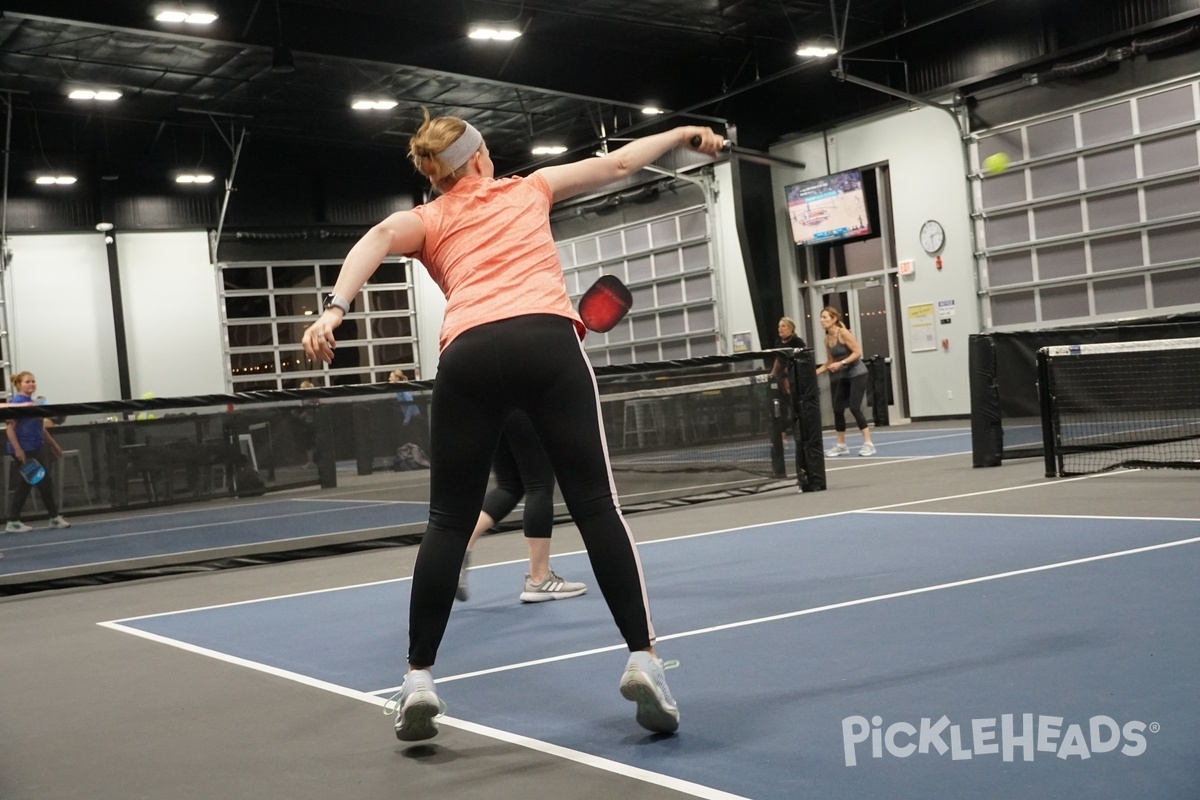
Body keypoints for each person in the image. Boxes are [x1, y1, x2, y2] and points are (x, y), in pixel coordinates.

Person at [302, 112, 725, 741]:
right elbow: (618, 165)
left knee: (448, 521)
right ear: (477, 159)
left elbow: (379, 234)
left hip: (468, 352)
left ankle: (418, 678)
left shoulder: (431, 218)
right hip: (546, 342)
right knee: (595, 505)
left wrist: (335, 309)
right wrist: (682, 136)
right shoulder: (530, 188)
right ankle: (644, 658)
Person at [456, 409, 587, 604]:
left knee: (510, 487)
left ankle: (457, 549)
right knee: (539, 485)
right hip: (521, 403)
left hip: (490, 407)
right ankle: (539, 578)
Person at [5, 372, 71, 531]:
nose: (31, 384)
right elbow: (10, 428)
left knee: (31, 483)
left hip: (36, 447)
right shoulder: (16, 403)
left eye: (33, 381)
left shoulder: (34, 403)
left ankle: (15, 520)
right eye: (27, 381)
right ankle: (52, 518)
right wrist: (18, 449)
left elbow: (40, 427)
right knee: (41, 482)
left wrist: (53, 444)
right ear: (19, 384)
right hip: (25, 449)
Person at [815, 307, 875, 456]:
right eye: (821, 317)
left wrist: (841, 363)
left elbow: (857, 352)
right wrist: (814, 373)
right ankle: (841, 445)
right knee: (837, 409)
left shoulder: (843, 333)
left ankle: (869, 444)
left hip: (858, 373)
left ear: (834, 319)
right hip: (845, 376)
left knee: (854, 407)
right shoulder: (827, 339)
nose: (822, 320)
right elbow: (829, 362)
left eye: (825, 317)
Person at [766, 316, 807, 479]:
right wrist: (772, 375)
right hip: (782, 382)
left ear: (790, 328)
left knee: (796, 409)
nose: (780, 329)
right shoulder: (778, 343)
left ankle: (801, 436)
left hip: (795, 380)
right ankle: (781, 438)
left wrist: (792, 376)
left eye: (783, 326)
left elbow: (803, 360)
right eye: (779, 326)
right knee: (779, 410)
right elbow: (778, 360)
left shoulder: (797, 342)